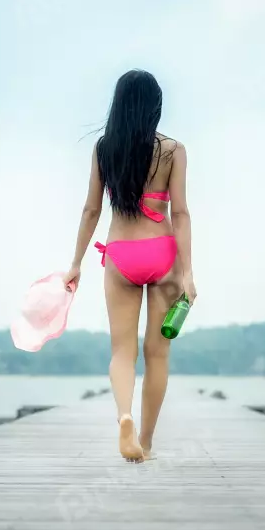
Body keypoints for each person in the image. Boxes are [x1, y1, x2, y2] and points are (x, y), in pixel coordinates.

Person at [63, 69, 197, 463]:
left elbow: (91, 209)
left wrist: (75, 263)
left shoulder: (105, 148)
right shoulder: (173, 150)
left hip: (120, 254)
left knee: (122, 351)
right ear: (155, 106)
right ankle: (148, 442)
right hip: (162, 253)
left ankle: (124, 417)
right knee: (158, 353)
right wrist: (188, 273)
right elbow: (183, 212)